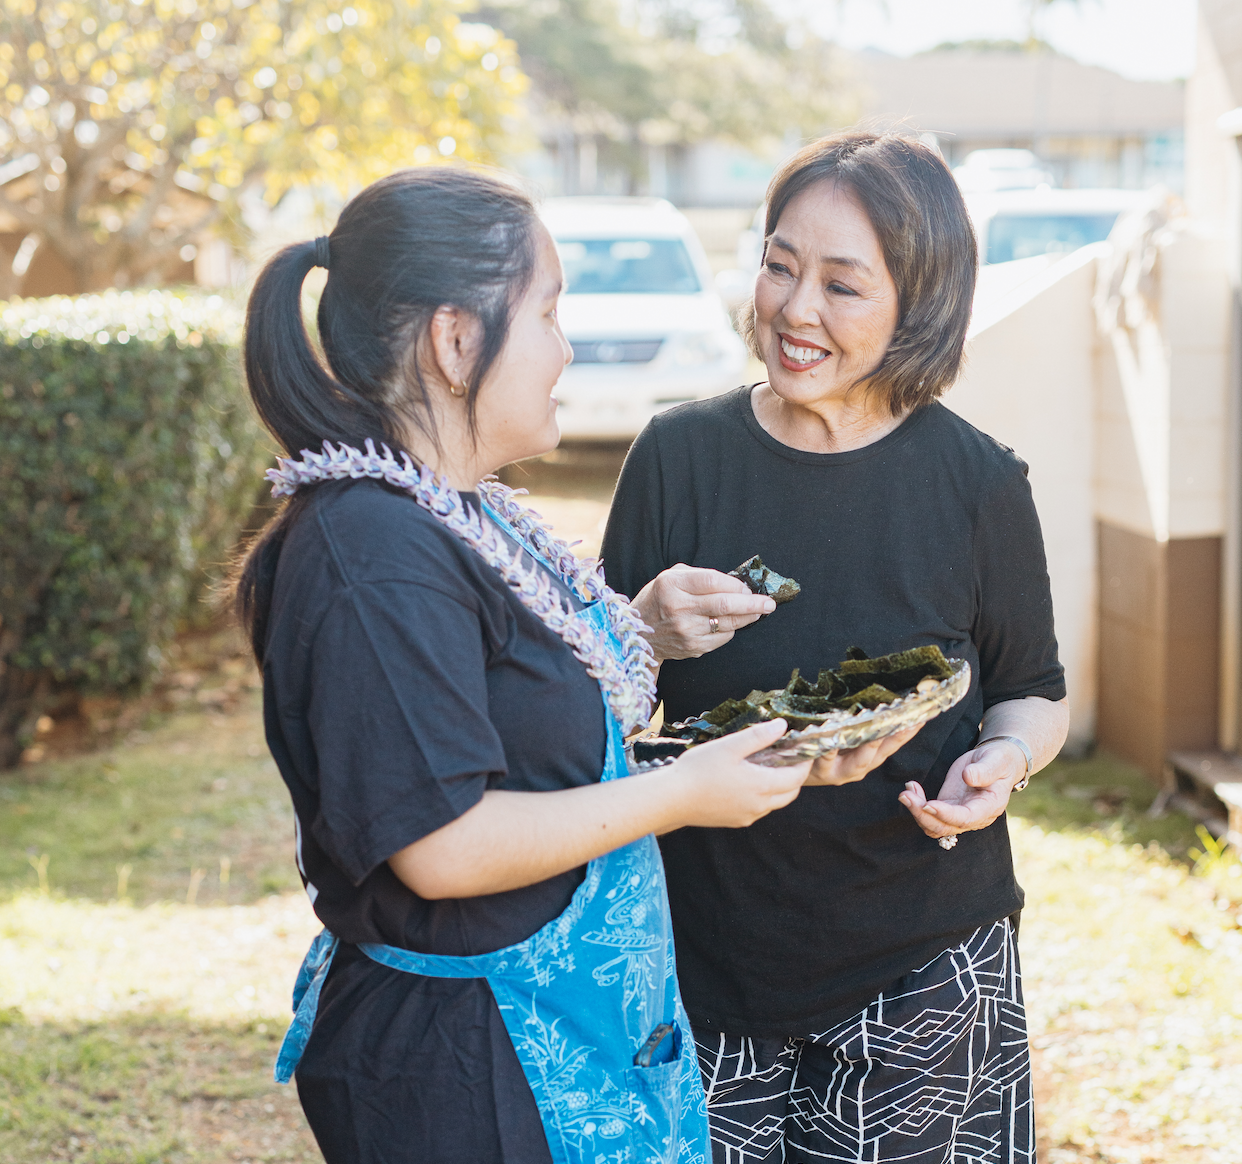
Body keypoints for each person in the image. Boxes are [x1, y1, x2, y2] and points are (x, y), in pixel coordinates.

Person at [233, 166, 817, 1164]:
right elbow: (444, 846)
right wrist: (681, 792)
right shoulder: (369, 549)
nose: (565, 345)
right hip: (469, 1069)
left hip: (537, 1040)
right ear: (456, 342)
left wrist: (640, 628)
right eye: (547, 310)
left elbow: (496, 705)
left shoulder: (444, 510)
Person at [600, 131, 1072, 1163]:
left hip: (921, 958)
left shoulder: (976, 483)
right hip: (702, 954)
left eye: (841, 285)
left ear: (921, 302)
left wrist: (1001, 760)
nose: (793, 309)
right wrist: (638, 628)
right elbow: (592, 717)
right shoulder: (676, 457)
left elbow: (1031, 691)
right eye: (778, 265)